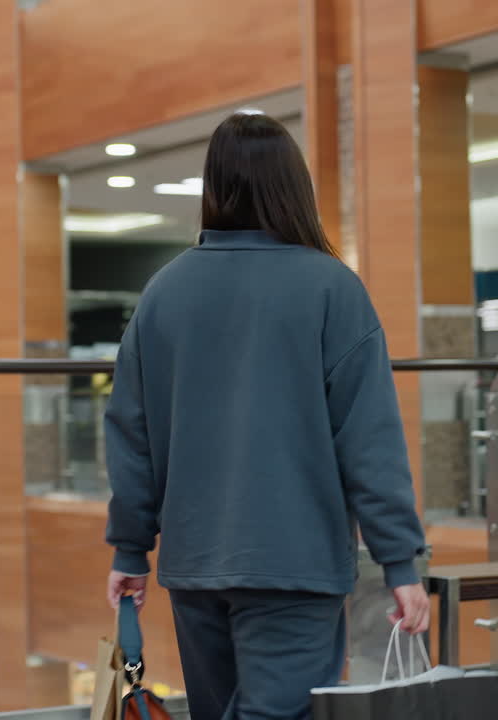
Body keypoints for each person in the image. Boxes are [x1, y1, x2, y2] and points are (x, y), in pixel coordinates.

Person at [103, 112, 429, 720]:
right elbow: (369, 441)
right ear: (293, 186)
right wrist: (400, 561)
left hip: (196, 564)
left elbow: (131, 435)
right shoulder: (332, 289)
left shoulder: (163, 293)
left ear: (213, 187)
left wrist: (129, 549)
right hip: (296, 565)